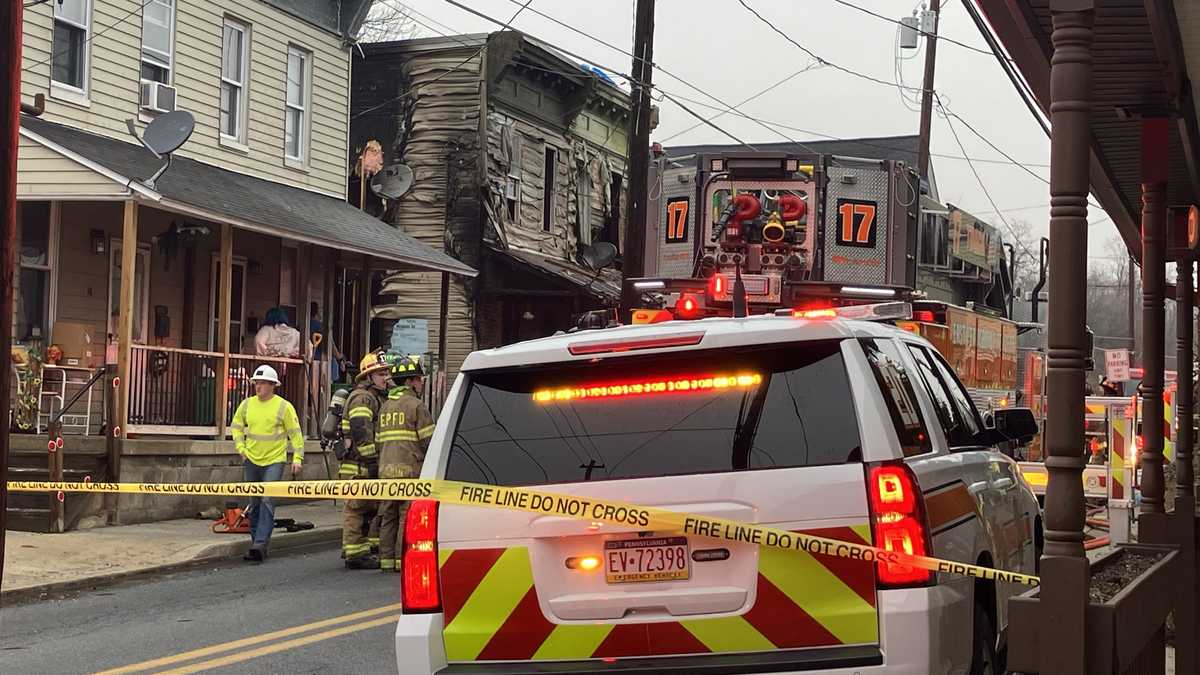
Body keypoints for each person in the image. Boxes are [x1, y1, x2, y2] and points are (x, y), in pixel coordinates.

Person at [230, 365, 304, 563]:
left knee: (267, 501)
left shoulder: (283, 407)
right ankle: (257, 544)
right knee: (254, 503)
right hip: (252, 459)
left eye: (262, 383)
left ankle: (260, 544)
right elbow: (236, 427)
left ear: (273, 385)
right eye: (256, 383)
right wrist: (241, 449)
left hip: (274, 461)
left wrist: (297, 458)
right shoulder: (246, 405)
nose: (258, 386)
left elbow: (295, 434)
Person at [376, 354, 436, 573]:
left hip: (386, 472)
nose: (421, 383)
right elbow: (429, 442)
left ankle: (386, 561)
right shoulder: (417, 406)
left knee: (388, 516)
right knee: (406, 517)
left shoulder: (384, 408)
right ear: (410, 381)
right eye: (419, 379)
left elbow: (378, 442)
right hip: (410, 471)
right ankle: (402, 561)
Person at [340, 350, 392, 569]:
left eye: (386, 372)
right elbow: (361, 430)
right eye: (380, 374)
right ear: (367, 377)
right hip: (358, 464)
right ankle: (354, 554)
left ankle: (364, 548)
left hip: (364, 462)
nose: (386, 377)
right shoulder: (363, 398)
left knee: (370, 507)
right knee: (357, 508)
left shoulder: (374, 397)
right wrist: (371, 460)